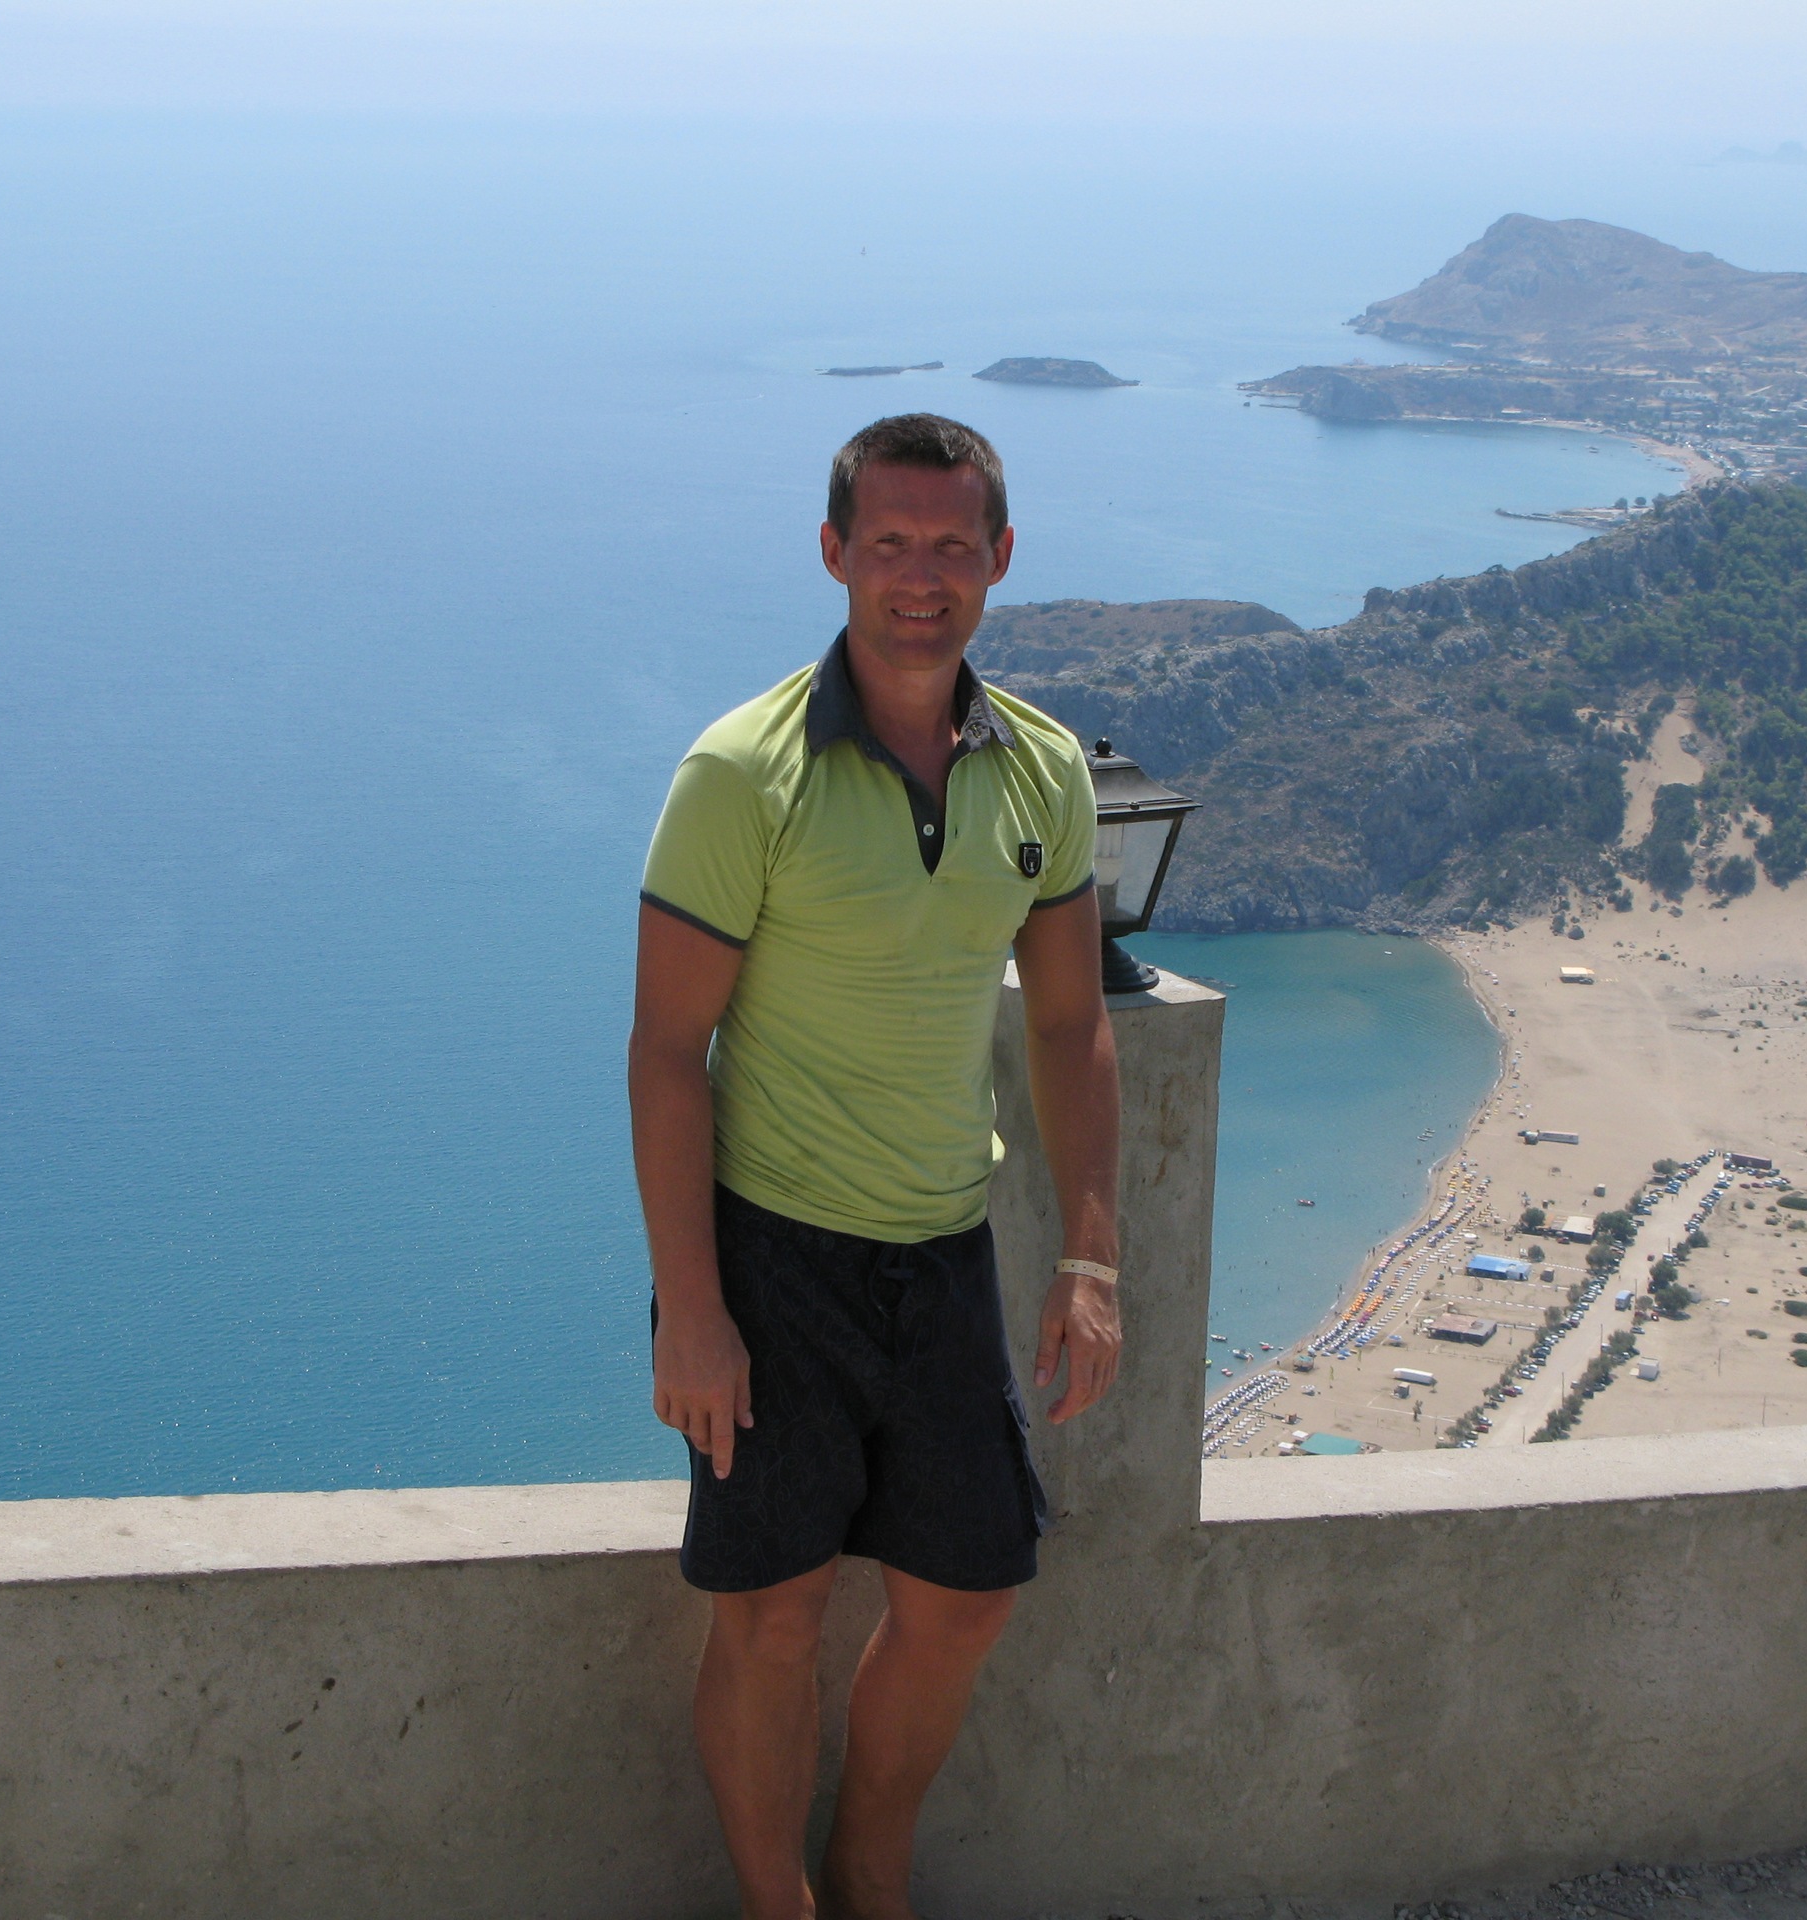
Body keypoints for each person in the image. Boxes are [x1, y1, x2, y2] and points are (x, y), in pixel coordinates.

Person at [628, 413, 1123, 1920]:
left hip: (944, 1252)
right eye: (891, 543)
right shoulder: (743, 773)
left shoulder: (1042, 770)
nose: (923, 576)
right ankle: (779, 1907)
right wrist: (692, 1312)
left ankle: (867, 1870)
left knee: (968, 1599)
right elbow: (666, 1051)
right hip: (771, 1259)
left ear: (1001, 558)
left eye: (952, 545)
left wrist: (1091, 1259)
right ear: (835, 553)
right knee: (772, 1619)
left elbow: (1071, 1025)